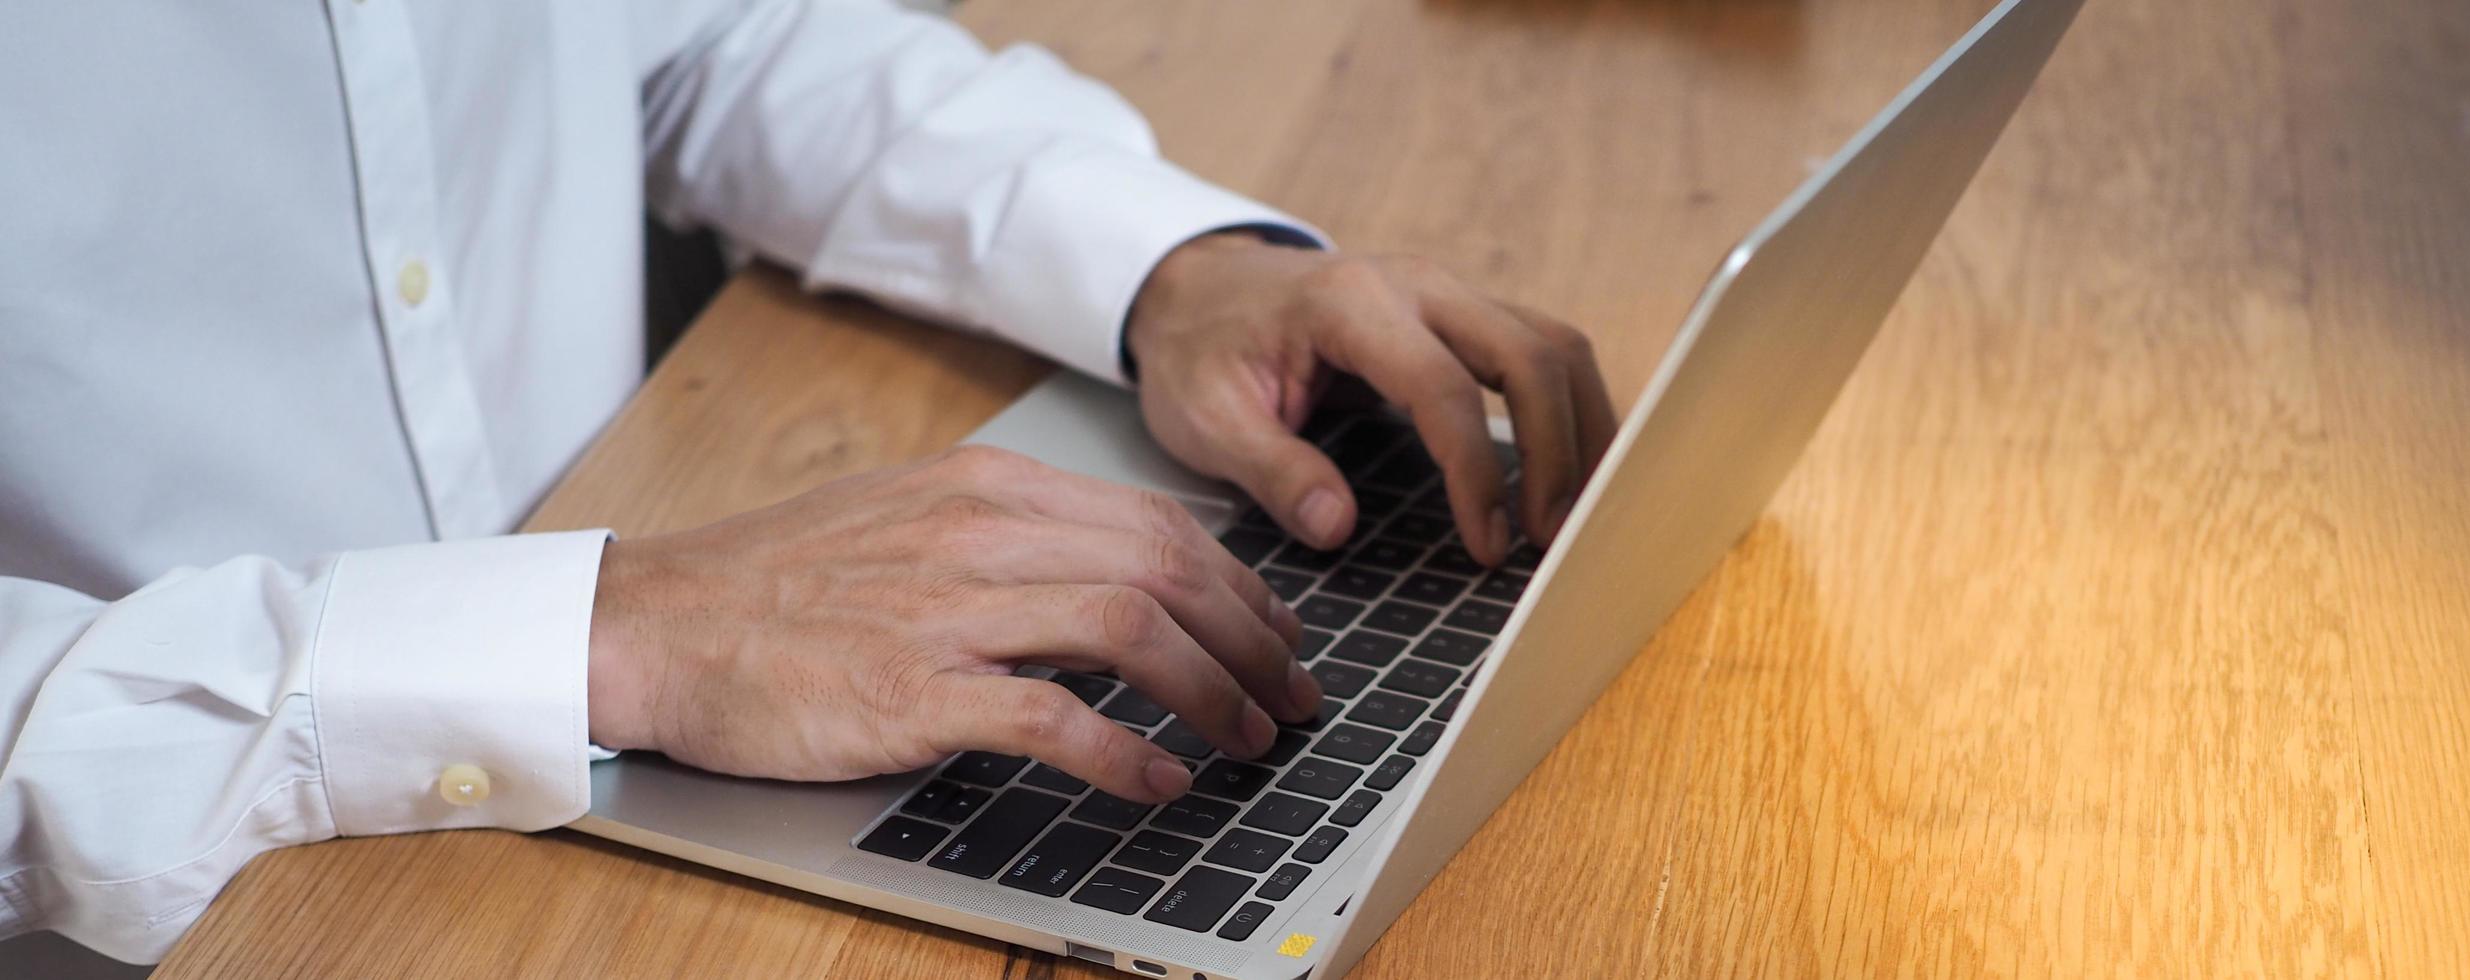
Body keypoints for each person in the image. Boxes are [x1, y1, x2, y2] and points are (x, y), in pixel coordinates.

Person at [0, 0, 1617, 967]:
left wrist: (1163, 264)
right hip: (167, 908)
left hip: (662, 755)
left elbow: (717, 32)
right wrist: (601, 630)